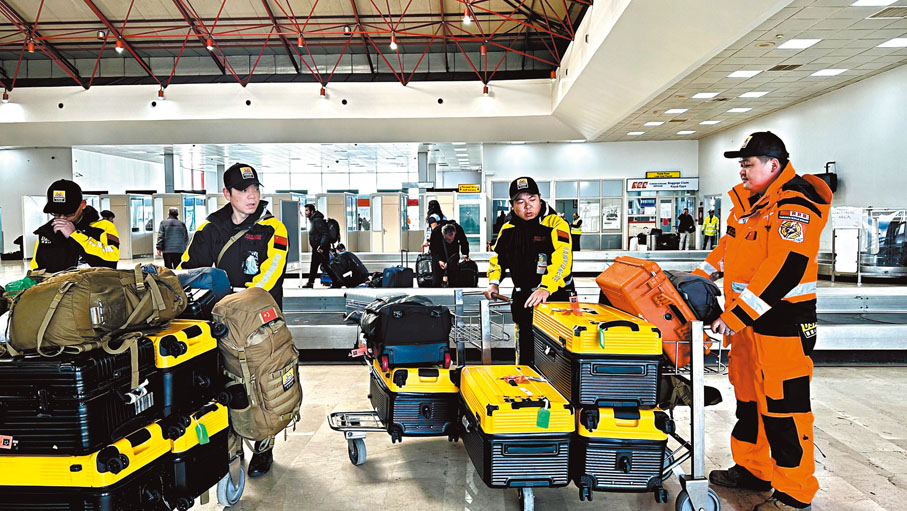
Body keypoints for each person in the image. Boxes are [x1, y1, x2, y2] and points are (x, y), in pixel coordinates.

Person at [695, 132, 831, 511]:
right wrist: (694, 281)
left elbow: (786, 266)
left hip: (783, 324)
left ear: (773, 165)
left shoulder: (796, 203)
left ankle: (794, 492)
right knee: (749, 401)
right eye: (741, 165)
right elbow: (726, 251)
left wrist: (736, 315)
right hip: (748, 326)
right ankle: (753, 470)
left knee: (785, 410)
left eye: (748, 164)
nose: (742, 171)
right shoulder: (747, 205)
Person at [178, 163, 288, 478]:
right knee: (223, 387)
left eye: (254, 189)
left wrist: (236, 297)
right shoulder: (209, 228)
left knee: (260, 385)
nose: (251, 196)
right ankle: (231, 450)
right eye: (243, 190)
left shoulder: (273, 229)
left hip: (260, 324)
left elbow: (270, 274)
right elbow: (189, 270)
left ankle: (263, 446)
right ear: (227, 194)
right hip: (219, 325)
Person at [484, 177, 575, 366]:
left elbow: (562, 260)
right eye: (520, 202)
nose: (528, 206)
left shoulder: (556, 224)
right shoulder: (508, 229)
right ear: (512, 205)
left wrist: (546, 288)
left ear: (539, 198)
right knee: (525, 352)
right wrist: (494, 283)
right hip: (524, 299)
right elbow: (497, 259)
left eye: (532, 199)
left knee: (557, 356)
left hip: (555, 297)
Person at [30, 179, 119, 272]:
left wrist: (75, 235)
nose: (62, 218)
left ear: (83, 205)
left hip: (94, 280)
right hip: (58, 280)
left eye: (68, 213)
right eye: (56, 213)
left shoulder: (104, 227)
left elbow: (111, 261)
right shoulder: (46, 231)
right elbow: (36, 266)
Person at [429, 222, 470, 287]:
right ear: (443, 234)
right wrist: (439, 260)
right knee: (436, 279)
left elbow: (464, 242)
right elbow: (433, 248)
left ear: (455, 233)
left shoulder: (458, 229)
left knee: (454, 275)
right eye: (448, 239)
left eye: (452, 238)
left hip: (453, 251)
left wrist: (465, 255)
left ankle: (453, 284)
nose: (450, 240)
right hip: (440, 249)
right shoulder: (436, 232)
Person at [303, 204, 331, 288]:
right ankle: (310, 282)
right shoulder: (313, 220)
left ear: (312, 211)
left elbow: (324, 233)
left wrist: (321, 246)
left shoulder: (317, 220)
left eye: (307, 210)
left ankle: (336, 280)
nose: (305, 212)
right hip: (317, 247)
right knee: (315, 265)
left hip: (321, 248)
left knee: (326, 266)